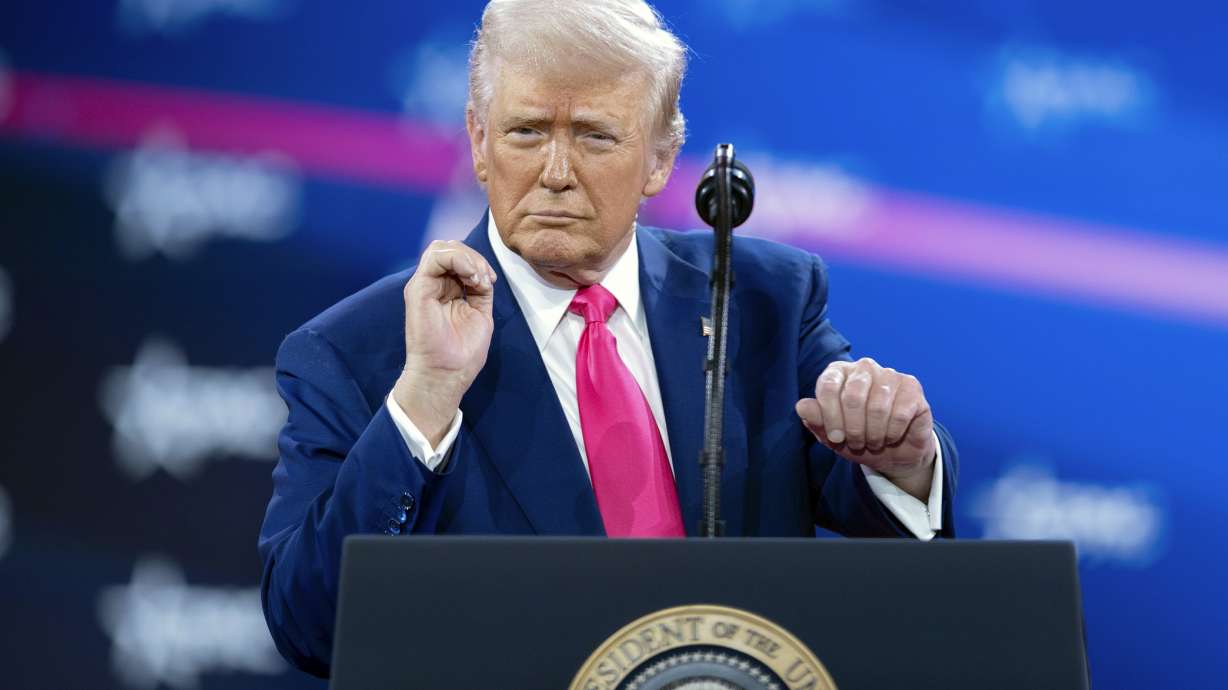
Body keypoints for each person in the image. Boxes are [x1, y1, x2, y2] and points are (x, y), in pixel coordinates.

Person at [258, 0, 958, 677]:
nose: (556, 173)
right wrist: (426, 398)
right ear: (478, 141)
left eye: (594, 136)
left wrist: (901, 460)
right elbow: (311, 626)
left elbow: (890, 519)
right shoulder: (359, 352)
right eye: (526, 131)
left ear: (659, 158)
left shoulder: (762, 300)